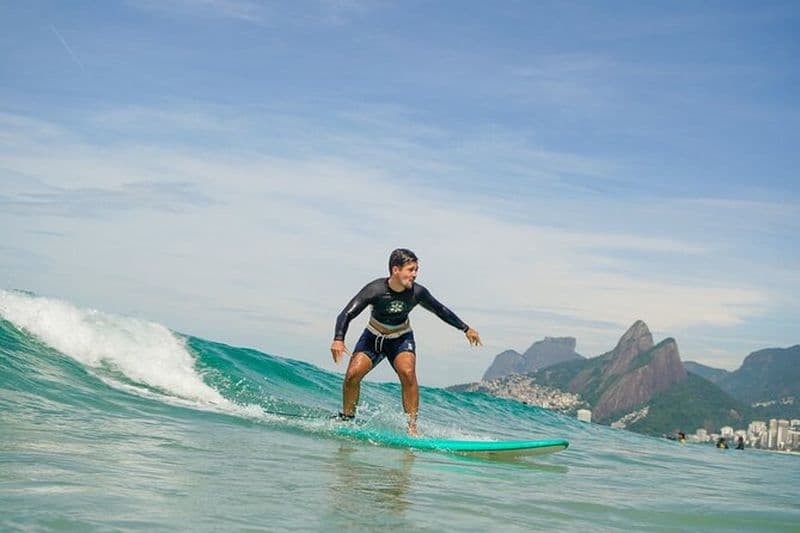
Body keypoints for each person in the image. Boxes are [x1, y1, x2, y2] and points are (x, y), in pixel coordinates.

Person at [330, 248, 481, 435]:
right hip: (373, 337)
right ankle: (347, 418)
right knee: (352, 375)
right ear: (396, 270)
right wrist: (338, 339)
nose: (415, 274)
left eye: (416, 270)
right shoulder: (375, 289)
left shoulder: (418, 292)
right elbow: (346, 314)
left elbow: (440, 310)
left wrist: (465, 328)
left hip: (400, 338)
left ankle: (412, 428)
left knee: (408, 373)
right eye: (411, 270)